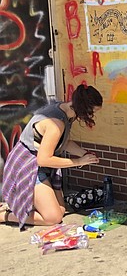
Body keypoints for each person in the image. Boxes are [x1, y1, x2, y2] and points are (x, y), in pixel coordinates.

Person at [1, 85, 103, 228]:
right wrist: (78, 161)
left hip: (40, 164)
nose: (92, 116)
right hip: (29, 166)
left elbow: (63, 142)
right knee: (52, 218)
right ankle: (6, 215)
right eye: (92, 112)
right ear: (84, 108)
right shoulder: (56, 124)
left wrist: (84, 154)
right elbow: (44, 159)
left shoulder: (65, 110)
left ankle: (29, 205)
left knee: (61, 210)